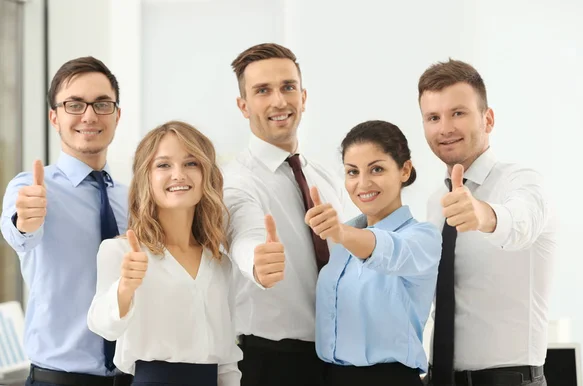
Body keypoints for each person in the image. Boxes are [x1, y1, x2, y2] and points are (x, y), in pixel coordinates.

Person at [223, 42, 357, 386]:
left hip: (339, 357)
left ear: (304, 96)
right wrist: (257, 260)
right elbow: (243, 230)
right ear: (243, 106)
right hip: (272, 363)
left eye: (288, 87)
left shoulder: (326, 177)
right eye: (262, 91)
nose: (279, 101)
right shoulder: (234, 181)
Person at [418, 59, 556, 386]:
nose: (445, 128)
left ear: (488, 119)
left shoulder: (523, 182)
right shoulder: (436, 201)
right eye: (433, 118)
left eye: (458, 113)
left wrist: (484, 215)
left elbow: (520, 222)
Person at [0, 56, 133, 386]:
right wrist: (25, 220)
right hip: (58, 379)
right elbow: (19, 231)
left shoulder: (133, 199)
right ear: (54, 117)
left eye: (102, 104)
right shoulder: (31, 188)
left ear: (117, 115)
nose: (89, 115)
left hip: (132, 376)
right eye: (74, 104)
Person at [87, 121, 242, 386]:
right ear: (146, 177)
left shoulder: (220, 263)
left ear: (207, 174)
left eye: (191, 163)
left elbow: (227, 361)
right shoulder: (120, 251)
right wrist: (124, 288)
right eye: (164, 165)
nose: (179, 174)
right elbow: (102, 326)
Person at [304, 120, 442, 386]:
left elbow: (388, 250)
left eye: (376, 169)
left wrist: (341, 234)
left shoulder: (422, 238)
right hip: (330, 376)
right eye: (352, 172)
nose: (363, 183)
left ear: (405, 170)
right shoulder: (341, 244)